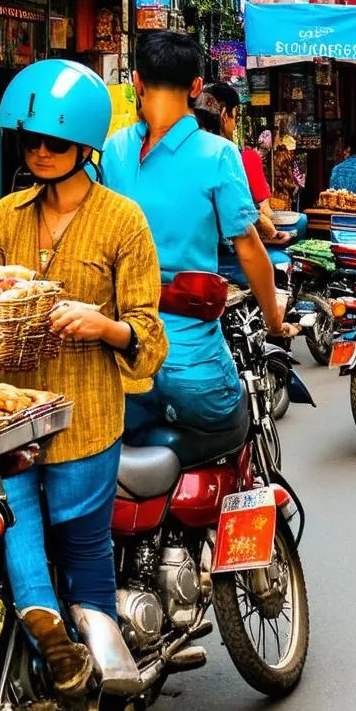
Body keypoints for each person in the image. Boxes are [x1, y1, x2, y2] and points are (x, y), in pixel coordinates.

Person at [0, 59, 168, 695]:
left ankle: (103, 650)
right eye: (30, 141)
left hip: (87, 413)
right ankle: (48, 636)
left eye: (54, 143)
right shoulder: (7, 215)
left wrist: (103, 325)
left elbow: (147, 335)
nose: (39, 152)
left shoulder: (123, 221)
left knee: (83, 539)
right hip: (11, 409)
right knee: (13, 520)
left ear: (84, 146)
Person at [101, 31, 297, 440]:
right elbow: (248, 247)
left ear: (136, 82)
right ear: (196, 88)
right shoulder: (219, 154)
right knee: (236, 423)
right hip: (191, 366)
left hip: (119, 358)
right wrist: (275, 320)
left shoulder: (114, 149)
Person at [200, 81, 291, 246]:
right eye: (234, 115)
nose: (234, 124)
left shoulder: (178, 147)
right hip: (215, 251)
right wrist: (270, 231)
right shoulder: (226, 152)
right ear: (223, 115)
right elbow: (242, 215)